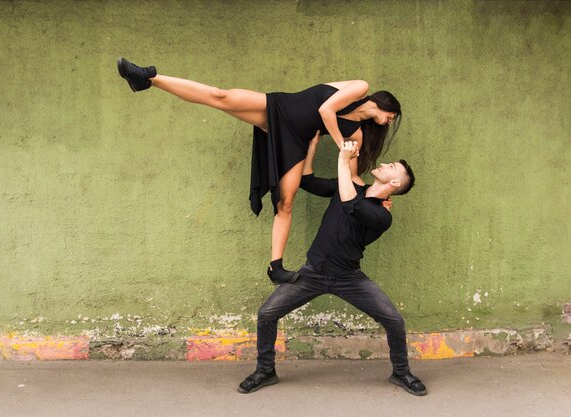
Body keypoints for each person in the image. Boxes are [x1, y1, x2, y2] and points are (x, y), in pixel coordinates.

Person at [117, 58, 402, 283]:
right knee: (221, 96)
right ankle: (149, 78)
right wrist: (341, 144)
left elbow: (351, 179)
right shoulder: (360, 88)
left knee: (286, 202)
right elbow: (326, 110)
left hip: (297, 140)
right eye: (392, 116)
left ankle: (275, 267)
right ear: (385, 102)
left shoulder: (360, 136)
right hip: (280, 108)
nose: (389, 122)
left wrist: (374, 199)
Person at [237, 136, 427, 396]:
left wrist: (343, 159)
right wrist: (312, 145)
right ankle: (265, 371)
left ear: (394, 183)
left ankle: (401, 372)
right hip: (312, 273)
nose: (384, 164)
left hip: (349, 278)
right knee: (267, 314)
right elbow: (307, 181)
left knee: (394, 320)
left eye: (391, 166)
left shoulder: (382, 215)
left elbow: (351, 204)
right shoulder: (350, 186)